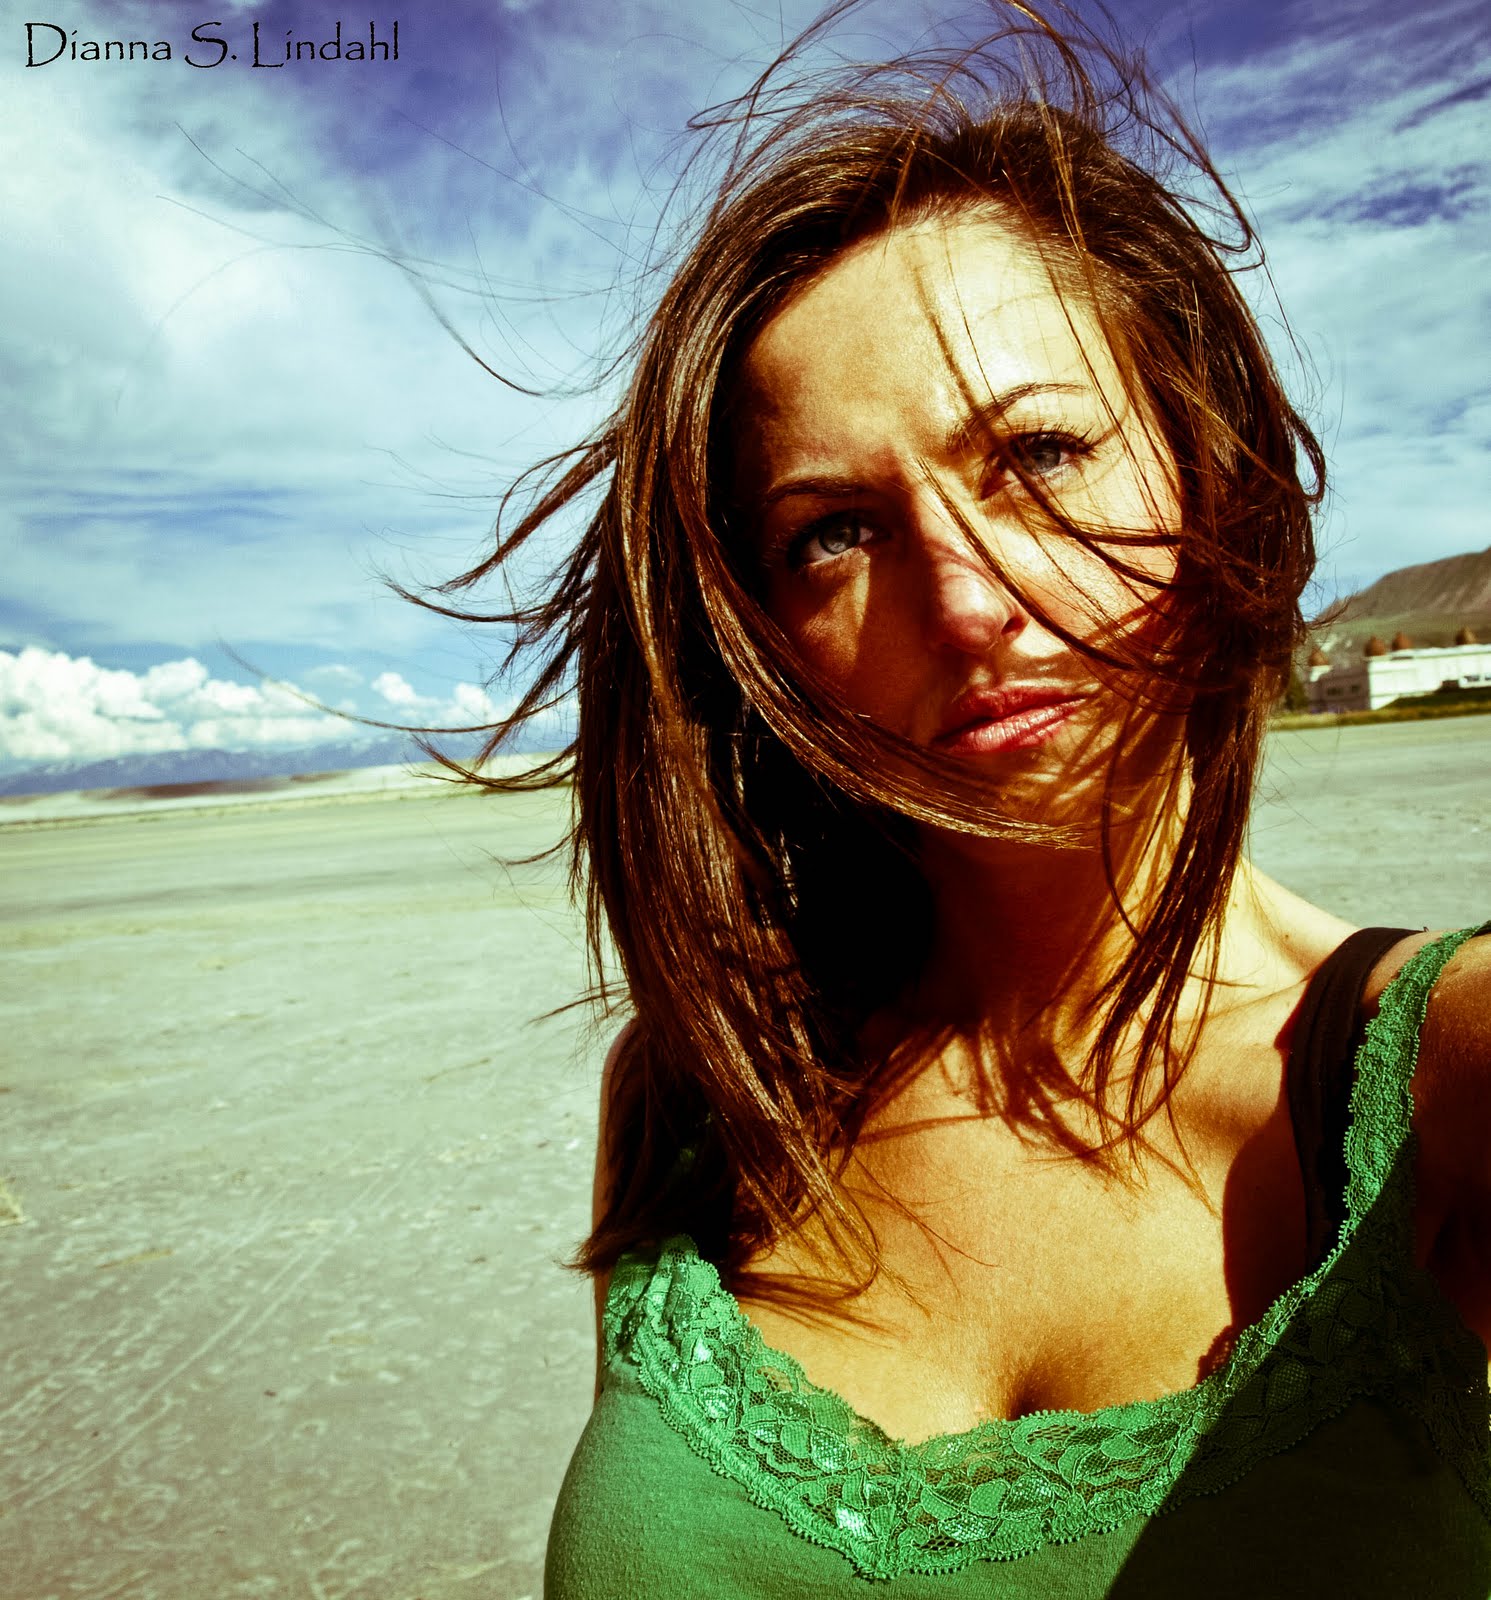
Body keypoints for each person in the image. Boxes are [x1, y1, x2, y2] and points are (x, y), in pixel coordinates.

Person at [438, 5, 1490, 1592]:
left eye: (1043, 454)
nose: (969, 598)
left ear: (1210, 469)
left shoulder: (1440, 1078)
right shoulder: (708, 1095)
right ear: (759, 639)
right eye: (835, 532)